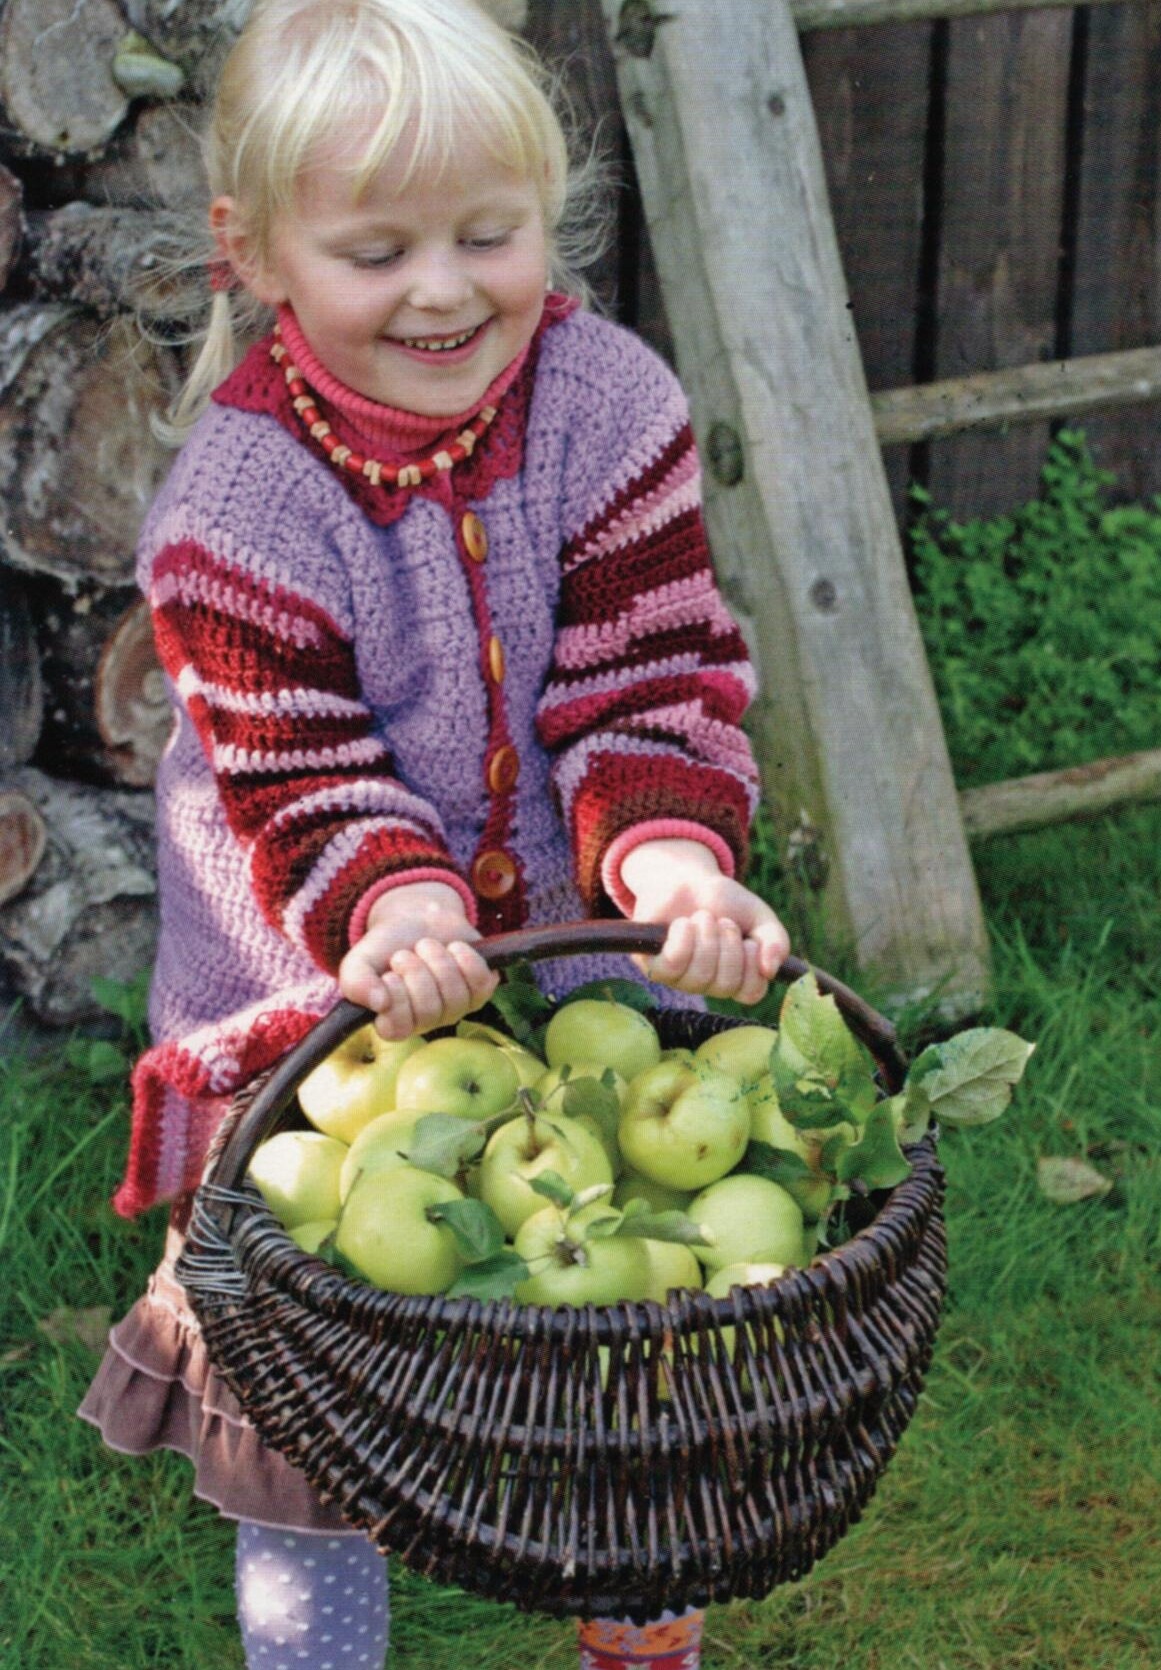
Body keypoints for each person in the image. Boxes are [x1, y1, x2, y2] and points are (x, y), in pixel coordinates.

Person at [79, 1, 790, 1666]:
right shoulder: (237, 506)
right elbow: (296, 767)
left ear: (551, 215)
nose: (444, 289)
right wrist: (395, 905)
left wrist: (669, 859)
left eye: (488, 233)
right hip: (314, 989)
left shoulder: (608, 402)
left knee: (631, 1339)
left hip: (578, 967)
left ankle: (640, 1637)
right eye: (376, 250)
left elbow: (647, 670)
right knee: (311, 1393)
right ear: (254, 250)